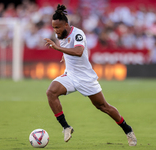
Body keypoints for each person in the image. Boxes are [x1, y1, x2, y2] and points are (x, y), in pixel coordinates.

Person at [44, 4, 137, 146]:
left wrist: (57, 48)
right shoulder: (61, 35)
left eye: (58, 27)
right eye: (53, 27)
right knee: (51, 92)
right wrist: (63, 54)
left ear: (66, 25)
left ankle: (128, 130)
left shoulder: (78, 33)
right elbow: (68, 49)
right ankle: (66, 127)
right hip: (70, 76)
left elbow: (79, 51)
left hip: (86, 78)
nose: (55, 31)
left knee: (103, 106)